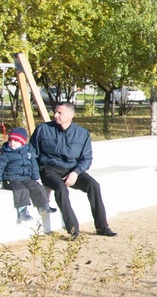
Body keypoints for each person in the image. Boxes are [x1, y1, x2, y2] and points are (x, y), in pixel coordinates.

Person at [30, 102, 117, 239]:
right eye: (55, 112)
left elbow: (86, 159)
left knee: (93, 185)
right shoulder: (43, 129)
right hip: (49, 169)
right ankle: (73, 230)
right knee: (61, 189)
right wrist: (34, 174)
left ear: (71, 115)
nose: (55, 115)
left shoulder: (82, 134)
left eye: (60, 112)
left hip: (72, 169)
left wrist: (76, 172)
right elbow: (32, 153)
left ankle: (102, 227)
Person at [0, 127, 55, 223]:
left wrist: (36, 178)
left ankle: (43, 206)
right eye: (10, 140)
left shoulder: (28, 153)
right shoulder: (6, 154)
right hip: (10, 179)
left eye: (15, 140)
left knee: (37, 187)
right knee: (21, 190)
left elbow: (34, 166)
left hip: (25, 177)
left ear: (22, 142)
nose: (12, 142)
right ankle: (23, 212)